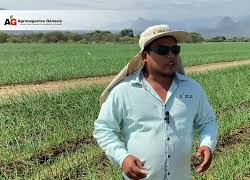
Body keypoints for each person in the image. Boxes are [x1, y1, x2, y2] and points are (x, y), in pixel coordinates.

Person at [93, 24, 218, 180]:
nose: (171, 55)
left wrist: (207, 144)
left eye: (175, 50)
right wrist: (122, 157)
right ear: (145, 56)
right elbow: (104, 128)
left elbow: (208, 121)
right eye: (162, 50)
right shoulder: (124, 91)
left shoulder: (192, 89)